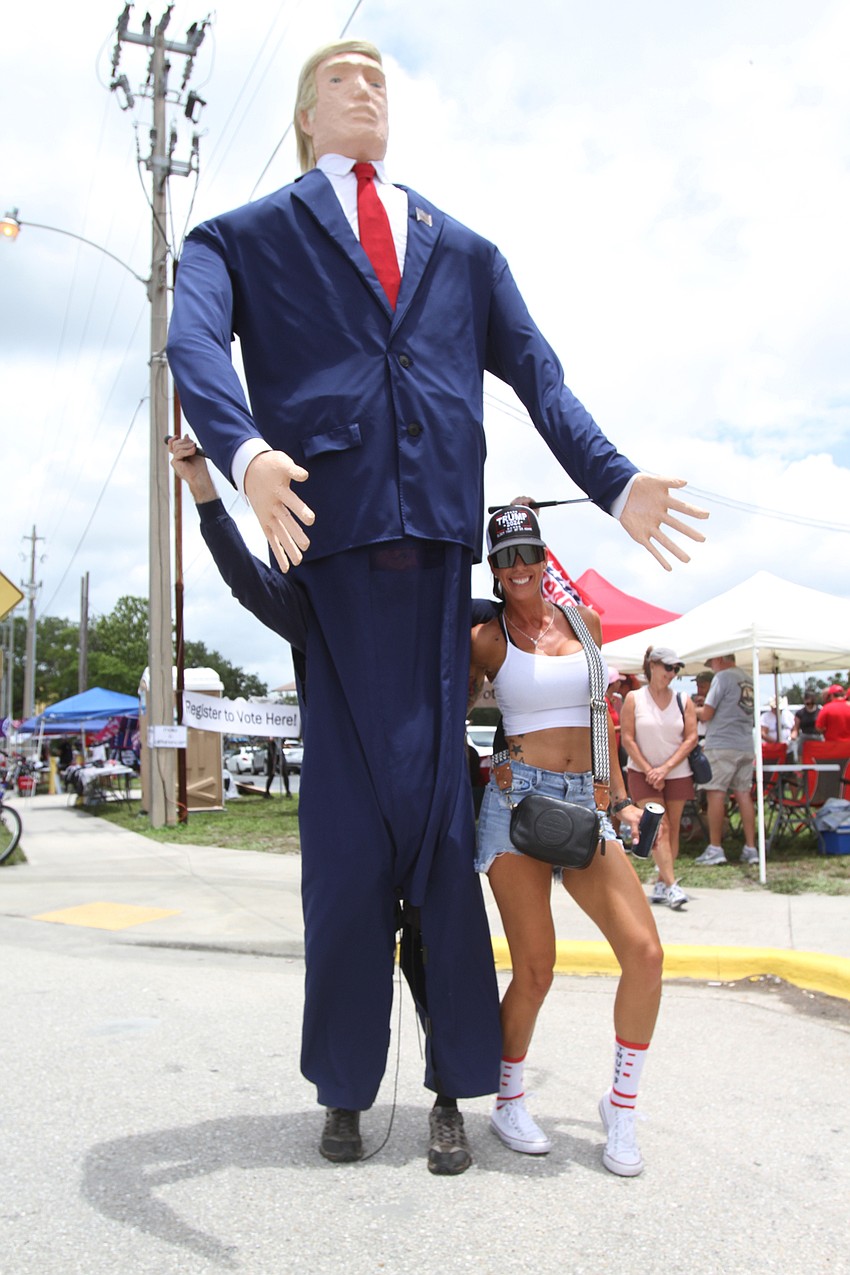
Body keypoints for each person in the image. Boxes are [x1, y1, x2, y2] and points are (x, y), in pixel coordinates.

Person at [166, 39, 706, 1173]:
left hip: (433, 581)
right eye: (342, 79)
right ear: (308, 117)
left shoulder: (459, 248)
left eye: (379, 78)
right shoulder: (242, 237)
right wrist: (244, 452)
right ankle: (344, 1088)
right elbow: (190, 340)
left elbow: (537, 371)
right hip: (330, 558)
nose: (366, 88)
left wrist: (612, 478)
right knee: (345, 862)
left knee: (440, 862)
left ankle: (458, 1086)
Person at [469, 506, 660, 1177]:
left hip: (586, 806)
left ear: (545, 556)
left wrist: (616, 793)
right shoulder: (484, 637)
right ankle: (509, 1097)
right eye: (506, 557)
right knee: (537, 966)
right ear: (492, 568)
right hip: (516, 805)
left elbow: (601, 715)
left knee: (645, 951)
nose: (520, 567)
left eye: (529, 553)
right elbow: (445, 714)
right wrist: (483, 766)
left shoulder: (587, 624)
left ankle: (622, 1105)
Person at [620, 647, 696, 910]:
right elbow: (627, 738)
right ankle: (673, 886)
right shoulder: (634, 698)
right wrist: (650, 769)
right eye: (668, 667)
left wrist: (664, 769)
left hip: (677, 772)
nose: (672, 674)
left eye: (676, 669)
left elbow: (691, 738)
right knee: (659, 827)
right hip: (641, 773)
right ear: (652, 665)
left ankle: (663, 882)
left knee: (672, 827)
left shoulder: (683, 699)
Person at [693, 655, 758, 865]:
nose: (712, 668)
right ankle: (751, 847)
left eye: (711, 663)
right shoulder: (748, 678)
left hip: (722, 743)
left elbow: (707, 714)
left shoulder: (722, 678)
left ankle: (715, 847)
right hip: (745, 743)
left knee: (716, 794)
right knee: (743, 794)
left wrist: (690, 709)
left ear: (720, 659)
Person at [788, 691, 821, 759]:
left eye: (811, 703)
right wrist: (793, 735)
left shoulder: (820, 711)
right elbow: (796, 728)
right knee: (800, 750)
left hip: (818, 736)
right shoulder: (800, 713)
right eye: (807, 703)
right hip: (805, 736)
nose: (809, 705)